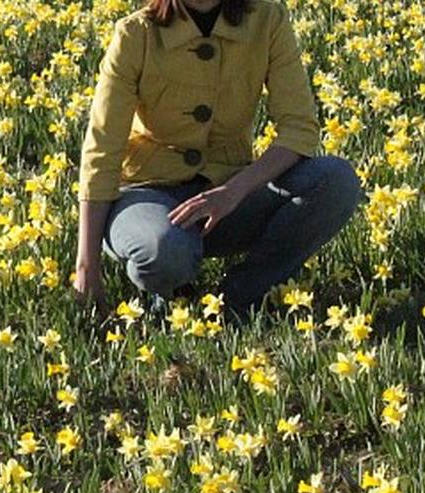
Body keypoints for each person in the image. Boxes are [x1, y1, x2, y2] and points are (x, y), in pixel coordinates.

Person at [70, 0, 364, 320]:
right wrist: (86, 268)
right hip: (146, 196)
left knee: (335, 180)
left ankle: (240, 298)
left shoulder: (268, 20)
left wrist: (234, 190)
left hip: (229, 194)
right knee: (161, 251)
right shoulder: (135, 34)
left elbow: (299, 129)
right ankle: (167, 294)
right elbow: (101, 150)